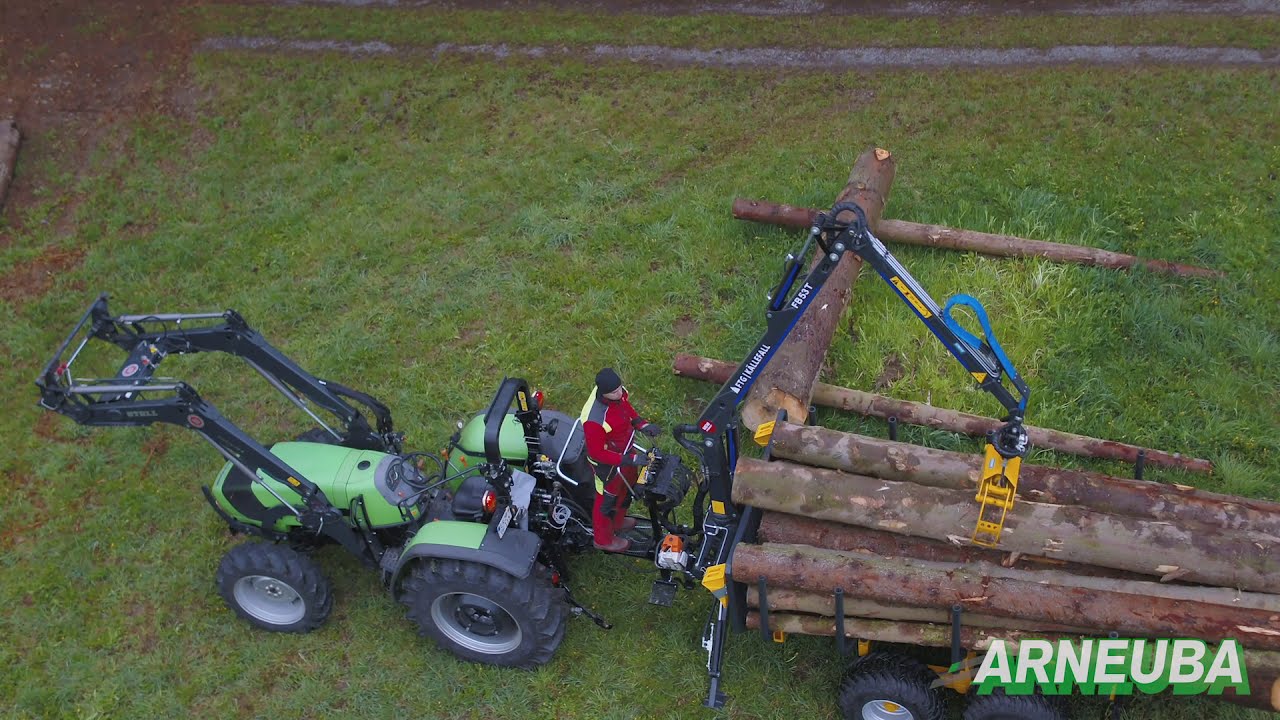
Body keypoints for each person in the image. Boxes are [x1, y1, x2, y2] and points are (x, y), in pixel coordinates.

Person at [580, 367, 662, 552]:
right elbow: (597, 453)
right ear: (603, 393)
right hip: (607, 466)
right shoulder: (594, 421)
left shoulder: (617, 393)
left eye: (619, 389)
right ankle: (603, 539)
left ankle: (617, 521)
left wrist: (641, 424)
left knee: (627, 487)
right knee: (606, 501)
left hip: (625, 454)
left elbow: (625, 406)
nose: (620, 393)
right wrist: (631, 459)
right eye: (614, 392)